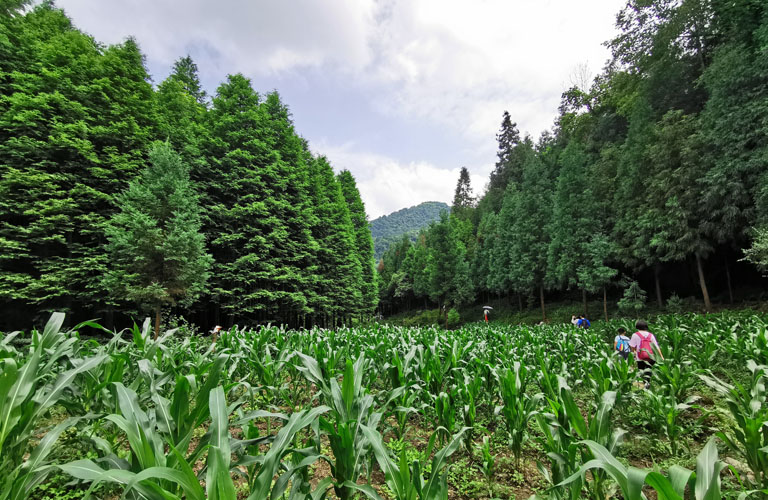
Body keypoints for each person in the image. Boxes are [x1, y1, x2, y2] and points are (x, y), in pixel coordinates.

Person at [629, 320, 664, 386]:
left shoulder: (635, 335)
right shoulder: (651, 335)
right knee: (648, 370)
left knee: (641, 370)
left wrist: (634, 351)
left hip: (640, 357)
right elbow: (656, 347)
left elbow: (632, 346)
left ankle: (642, 385)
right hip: (650, 356)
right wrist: (661, 356)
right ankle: (647, 384)